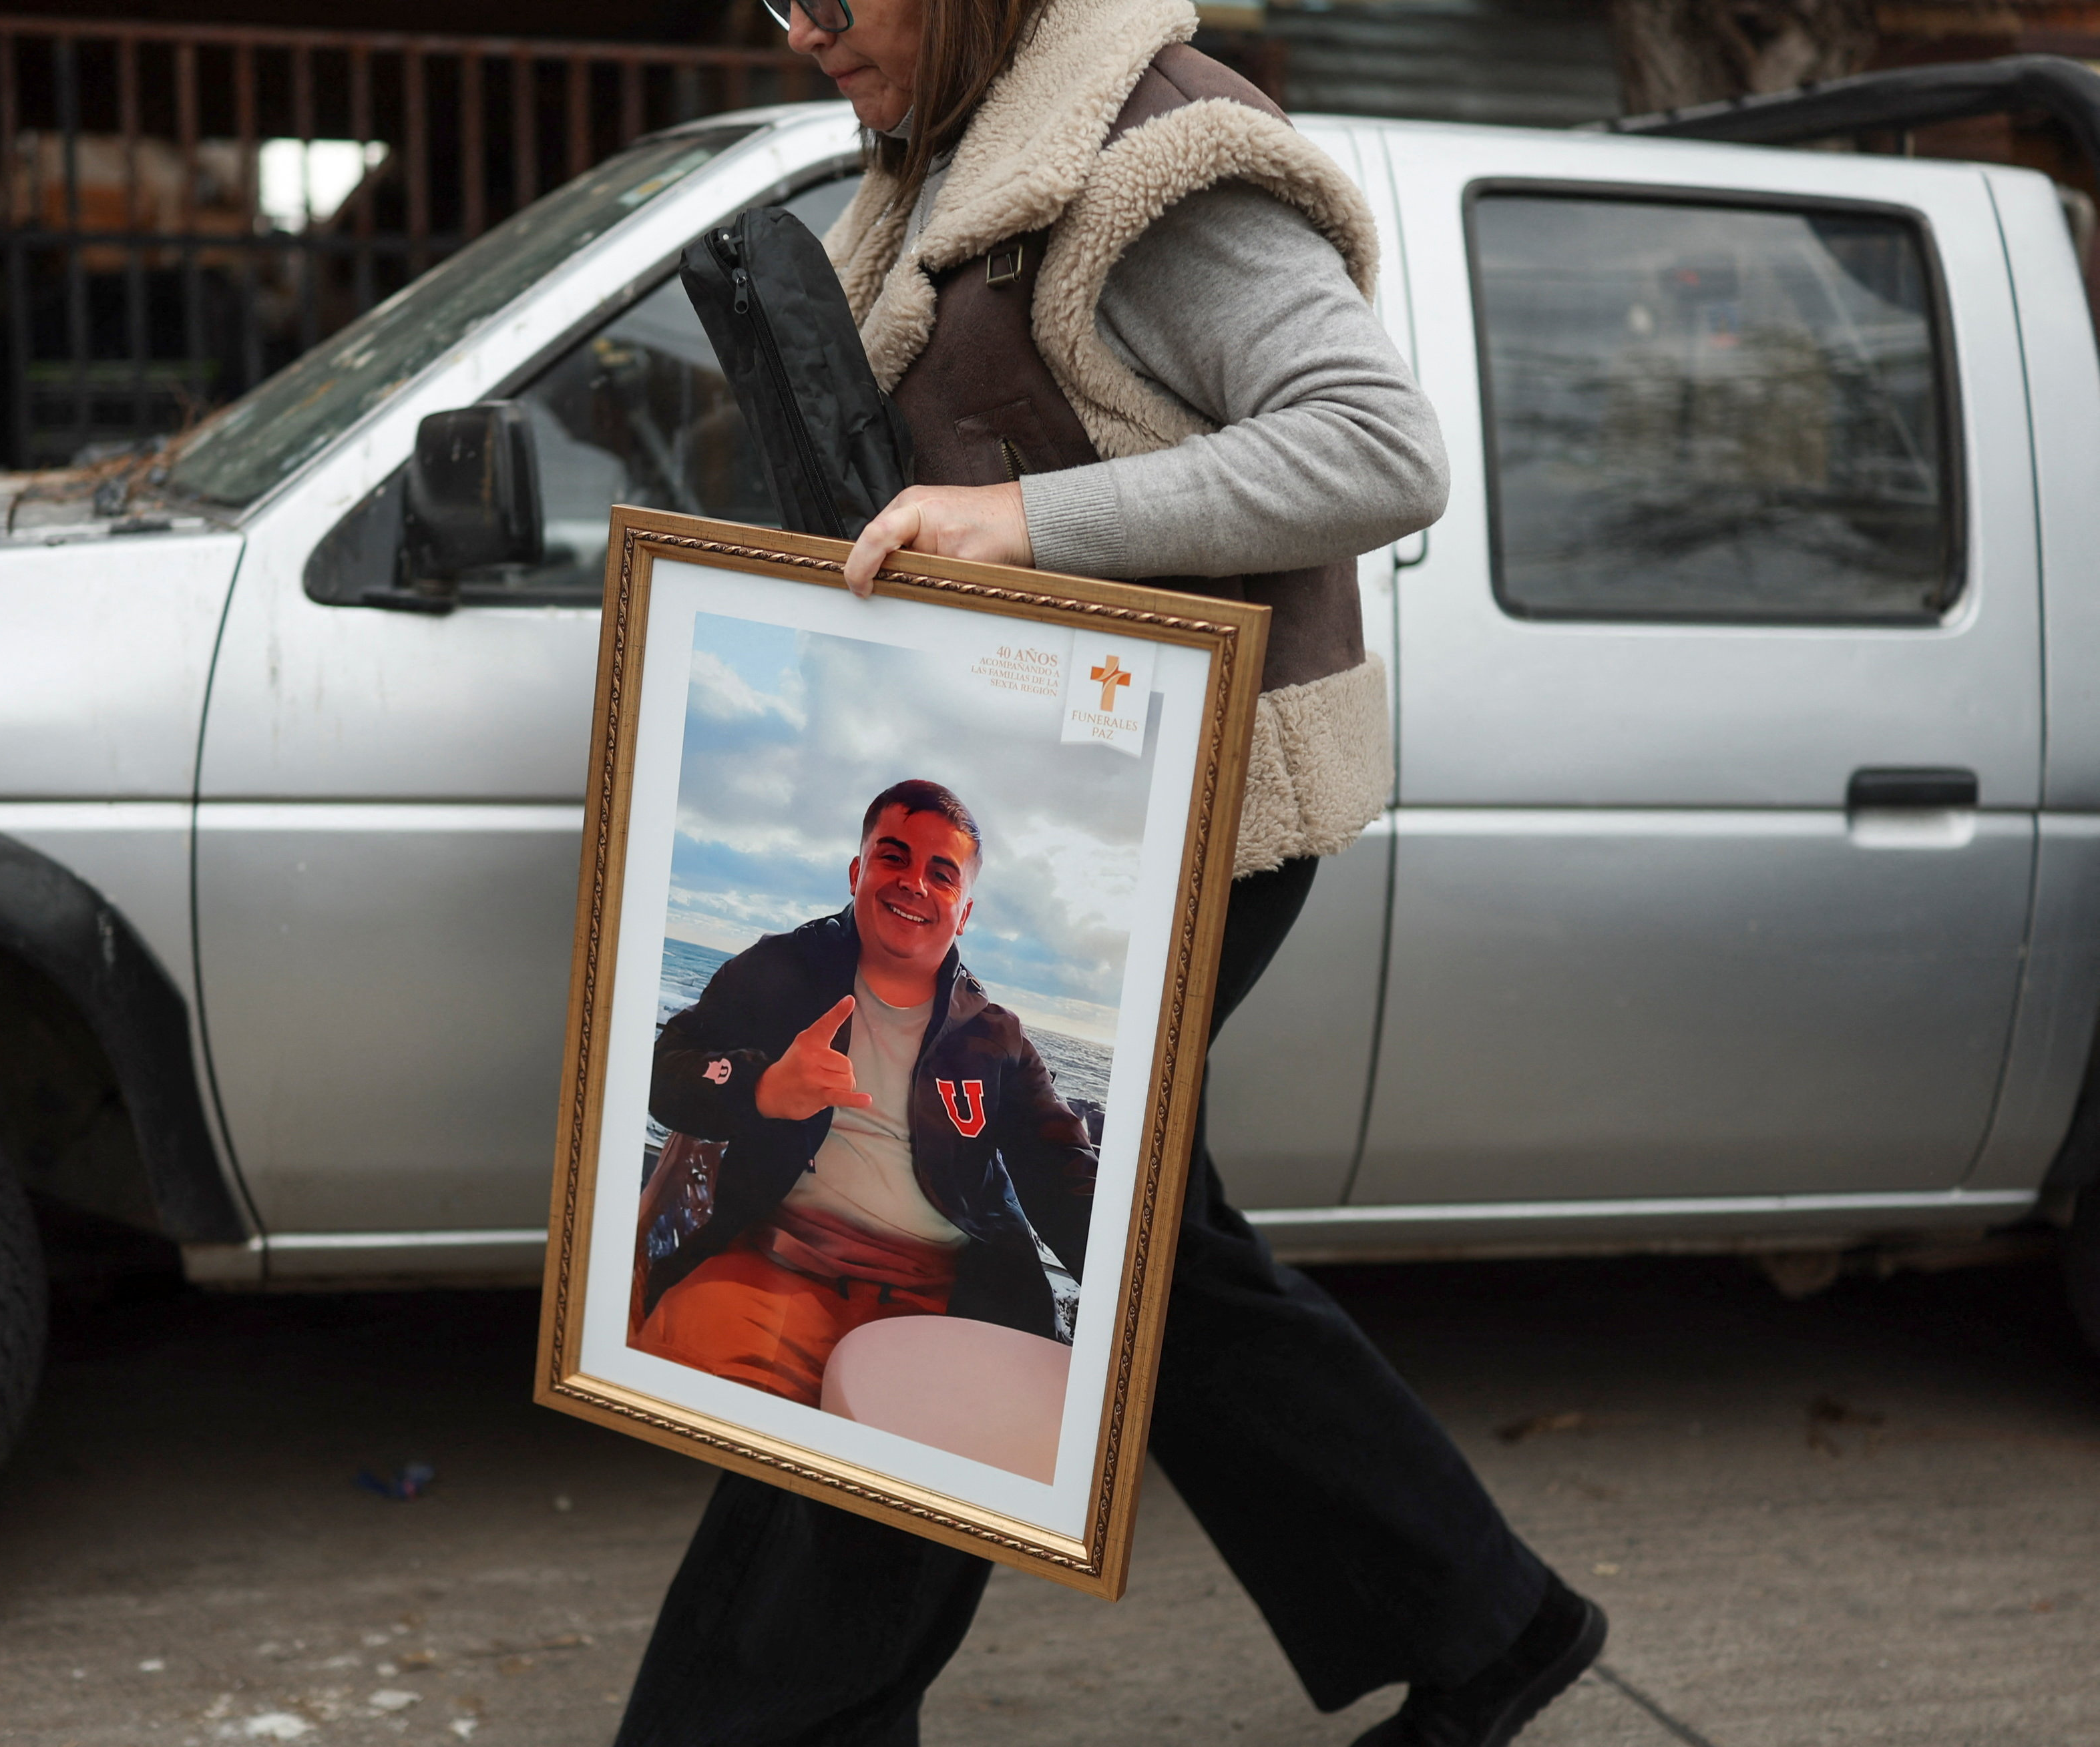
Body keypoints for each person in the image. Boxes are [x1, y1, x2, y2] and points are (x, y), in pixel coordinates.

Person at [613, 1, 1607, 1744]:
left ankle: (764, 1718)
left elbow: (1378, 447)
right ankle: (1486, 1624)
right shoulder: (960, 149)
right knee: (1154, 1258)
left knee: (934, 1232)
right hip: (1056, 793)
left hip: (1187, 827)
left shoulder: (1148, 144)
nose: (804, 32)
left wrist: (1022, 526)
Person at [632, 778, 1094, 1408]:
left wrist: (1143, 1292)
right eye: (893, 856)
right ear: (857, 870)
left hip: (938, 1304)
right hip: (774, 1267)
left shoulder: (996, 1038)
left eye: (942, 872)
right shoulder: (776, 971)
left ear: (964, 910)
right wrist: (762, 1088)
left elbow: (1062, 1172)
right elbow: (664, 1069)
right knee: (711, 1398)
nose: (915, 882)